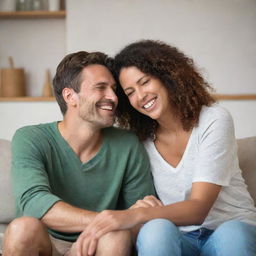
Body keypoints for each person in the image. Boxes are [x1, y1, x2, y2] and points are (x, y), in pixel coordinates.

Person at [78, 40, 256, 256]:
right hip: (181, 237)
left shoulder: (214, 120)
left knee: (233, 233)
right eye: (130, 92)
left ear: (167, 76)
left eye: (144, 82)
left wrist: (130, 216)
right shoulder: (140, 139)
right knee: (156, 230)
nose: (140, 96)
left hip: (230, 229)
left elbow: (199, 208)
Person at [2, 51, 155, 256]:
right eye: (101, 87)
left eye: (114, 89)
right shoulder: (31, 138)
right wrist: (109, 220)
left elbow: (142, 217)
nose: (113, 97)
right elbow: (34, 203)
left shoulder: (127, 144)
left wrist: (118, 223)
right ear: (69, 96)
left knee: (117, 234)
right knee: (23, 228)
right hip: (45, 243)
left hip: (98, 244)